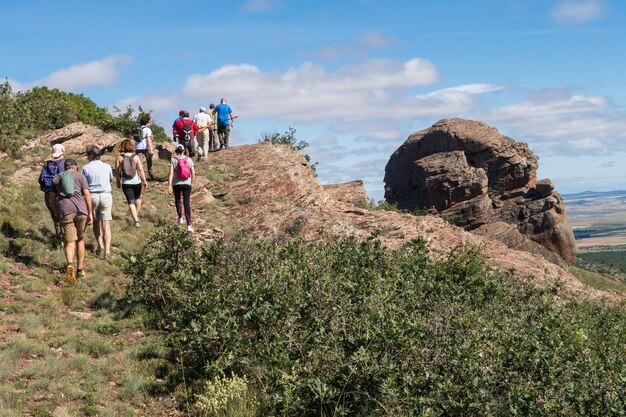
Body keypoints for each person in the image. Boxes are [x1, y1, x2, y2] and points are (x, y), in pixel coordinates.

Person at [49, 159, 93, 284]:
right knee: (80, 239)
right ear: (75, 166)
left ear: (65, 167)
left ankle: (69, 265)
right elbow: (87, 194)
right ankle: (80, 270)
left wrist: (57, 211)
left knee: (69, 241)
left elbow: (52, 198)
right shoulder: (80, 176)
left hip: (65, 212)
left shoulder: (57, 178)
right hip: (81, 211)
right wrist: (90, 213)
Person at [81, 145, 113, 260]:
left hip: (92, 196)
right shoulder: (107, 166)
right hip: (106, 195)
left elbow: (83, 185)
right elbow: (110, 179)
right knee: (106, 224)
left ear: (90, 155)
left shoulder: (85, 168)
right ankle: (108, 251)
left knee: (95, 222)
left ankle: (100, 246)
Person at [115, 139, 148, 228]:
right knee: (138, 198)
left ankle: (136, 220)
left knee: (130, 201)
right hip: (137, 182)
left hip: (126, 183)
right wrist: (144, 180)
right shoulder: (136, 157)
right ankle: (136, 215)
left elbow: (117, 172)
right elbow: (140, 170)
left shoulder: (119, 157)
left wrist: (118, 181)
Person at [38, 143, 65, 239]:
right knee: (64, 217)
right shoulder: (65, 164)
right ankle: (65, 238)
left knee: (55, 217)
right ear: (62, 153)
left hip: (48, 195)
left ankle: (58, 238)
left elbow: (39, 180)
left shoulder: (46, 165)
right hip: (60, 195)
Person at [168, 143, 195, 232]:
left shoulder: (173, 160)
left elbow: (171, 173)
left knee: (178, 200)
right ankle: (189, 226)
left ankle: (180, 217)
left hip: (176, 184)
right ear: (183, 151)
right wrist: (192, 183)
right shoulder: (189, 159)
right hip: (187, 184)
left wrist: (169, 185)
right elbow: (193, 172)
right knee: (187, 204)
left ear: (176, 151)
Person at [135, 114, 155, 180]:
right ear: (147, 122)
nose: (150, 123)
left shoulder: (138, 128)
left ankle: (138, 176)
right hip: (145, 147)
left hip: (137, 147)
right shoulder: (147, 129)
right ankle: (151, 175)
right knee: (149, 161)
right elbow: (148, 140)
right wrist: (151, 149)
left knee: (139, 163)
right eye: (150, 122)